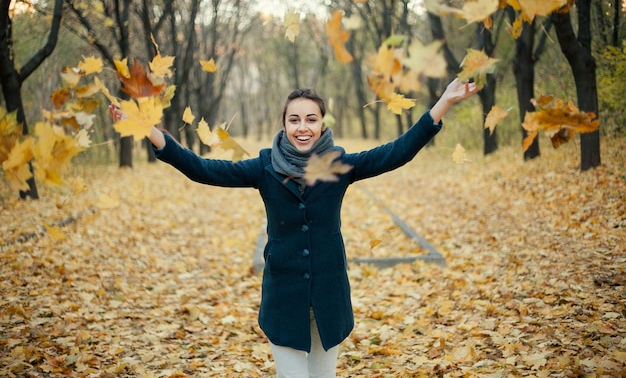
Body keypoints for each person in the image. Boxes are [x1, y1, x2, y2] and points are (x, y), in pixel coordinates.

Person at [109, 78, 479, 378]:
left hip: (329, 297)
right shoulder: (263, 167)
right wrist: (150, 131)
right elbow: (202, 169)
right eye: (295, 120)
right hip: (284, 298)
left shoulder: (340, 165)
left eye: (311, 119)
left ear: (322, 124)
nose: (303, 127)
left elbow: (397, 151)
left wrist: (442, 103)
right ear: (284, 125)